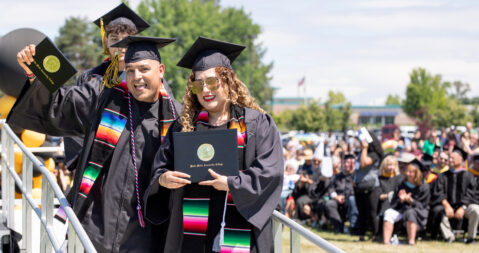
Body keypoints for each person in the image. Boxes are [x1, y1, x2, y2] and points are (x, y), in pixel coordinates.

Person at [9, 35, 180, 252]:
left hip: (146, 233)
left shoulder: (177, 117)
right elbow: (61, 104)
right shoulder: (105, 99)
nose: (137, 77)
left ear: (161, 70)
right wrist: (35, 74)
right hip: (96, 223)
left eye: (144, 69)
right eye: (130, 70)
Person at [143, 37, 283, 252]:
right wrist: (163, 179)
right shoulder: (185, 127)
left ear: (228, 81)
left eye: (212, 82)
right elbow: (160, 168)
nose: (205, 90)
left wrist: (233, 183)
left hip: (240, 229)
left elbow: (270, 172)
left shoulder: (256, 124)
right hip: (192, 231)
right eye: (198, 84)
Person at [63, 3, 179, 172]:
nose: (120, 45)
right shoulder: (91, 78)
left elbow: (168, 117)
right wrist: (82, 160)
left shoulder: (153, 81)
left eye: (125, 40)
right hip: (97, 162)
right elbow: (74, 119)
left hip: (142, 160)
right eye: (114, 39)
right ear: (106, 42)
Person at [431, 146, 479, 243]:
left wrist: (463, 207)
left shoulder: (469, 175)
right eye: (449, 158)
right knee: (438, 210)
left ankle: (471, 238)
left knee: (476, 209)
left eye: (452, 158)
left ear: (461, 159)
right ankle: (449, 236)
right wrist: (446, 205)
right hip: (447, 206)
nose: (449, 160)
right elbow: (438, 193)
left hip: (465, 207)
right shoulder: (442, 176)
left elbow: (472, 194)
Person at [382, 160, 430, 245]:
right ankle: (386, 241)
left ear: (417, 173)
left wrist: (411, 200)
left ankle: (411, 241)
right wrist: (401, 200)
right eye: (407, 171)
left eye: (410, 172)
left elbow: (423, 205)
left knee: (410, 212)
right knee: (388, 213)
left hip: (418, 213)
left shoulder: (424, 186)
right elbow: (394, 202)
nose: (407, 173)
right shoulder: (402, 184)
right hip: (402, 210)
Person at [354, 131, 384, 241]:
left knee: (372, 212)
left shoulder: (374, 155)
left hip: (372, 187)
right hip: (360, 186)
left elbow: (364, 163)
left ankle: (375, 235)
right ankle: (361, 235)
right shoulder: (360, 153)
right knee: (361, 213)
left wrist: (364, 149)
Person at [322, 153, 358, 233]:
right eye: (345, 162)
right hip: (337, 199)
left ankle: (354, 228)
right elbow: (331, 188)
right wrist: (336, 197)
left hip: (350, 199)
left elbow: (356, 189)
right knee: (329, 204)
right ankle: (339, 227)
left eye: (349, 163)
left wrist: (346, 197)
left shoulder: (356, 176)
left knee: (352, 200)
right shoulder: (337, 176)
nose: (346, 165)